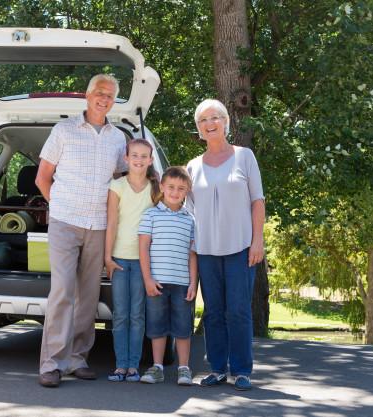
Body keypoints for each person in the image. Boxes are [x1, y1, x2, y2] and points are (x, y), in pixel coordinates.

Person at [35, 74, 127, 388]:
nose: (105, 99)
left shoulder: (118, 138)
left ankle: (77, 359)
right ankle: (51, 363)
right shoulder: (63, 130)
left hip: (99, 226)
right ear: (87, 96)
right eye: (100, 93)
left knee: (88, 295)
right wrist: (59, 206)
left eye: (111, 95)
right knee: (62, 291)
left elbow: (122, 183)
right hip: (64, 222)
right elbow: (42, 177)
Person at [186, 99, 265, 391]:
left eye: (215, 117)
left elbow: (258, 202)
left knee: (239, 311)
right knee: (214, 312)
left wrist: (258, 240)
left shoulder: (245, 157)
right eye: (203, 120)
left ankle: (242, 370)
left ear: (226, 122)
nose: (210, 123)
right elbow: (188, 212)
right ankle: (217, 368)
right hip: (206, 251)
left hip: (241, 248)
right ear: (199, 129)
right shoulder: (192, 166)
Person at [104, 139, 160, 382]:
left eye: (144, 156)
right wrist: (107, 257)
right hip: (118, 258)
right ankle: (120, 365)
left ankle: (133, 366)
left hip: (142, 261)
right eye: (134, 155)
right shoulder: (116, 186)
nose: (138, 160)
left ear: (150, 160)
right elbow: (112, 222)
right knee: (120, 314)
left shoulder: (155, 189)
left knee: (137, 314)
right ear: (126, 158)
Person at [138, 166, 198, 386]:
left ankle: (184, 368)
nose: (175, 192)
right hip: (157, 283)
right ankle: (157, 367)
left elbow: (193, 254)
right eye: (171, 187)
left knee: (183, 327)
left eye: (181, 188)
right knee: (157, 326)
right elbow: (143, 248)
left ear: (187, 191)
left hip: (182, 283)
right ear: (162, 187)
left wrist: (193, 282)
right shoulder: (151, 214)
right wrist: (147, 279)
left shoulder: (190, 219)